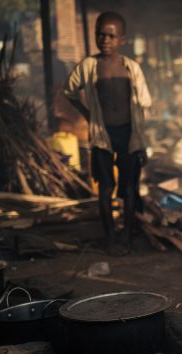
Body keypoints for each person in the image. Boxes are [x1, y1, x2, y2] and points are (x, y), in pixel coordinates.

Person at [63, 11, 152, 255]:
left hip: (129, 134)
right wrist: (87, 113)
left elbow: (142, 107)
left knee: (130, 187)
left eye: (111, 36)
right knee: (104, 187)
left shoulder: (131, 68)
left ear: (122, 39)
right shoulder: (89, 66)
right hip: (103, 135)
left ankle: (127, 235)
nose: (105, 40)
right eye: (100, 35)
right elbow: (69, 91)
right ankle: (111, 237)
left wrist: (142, 143)